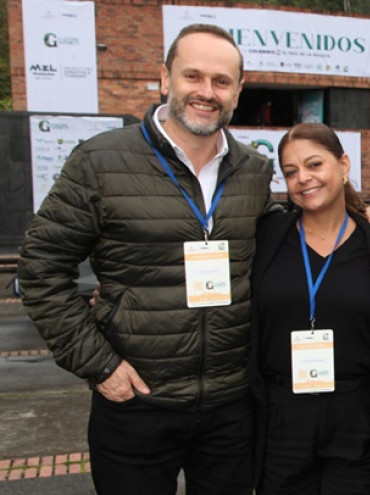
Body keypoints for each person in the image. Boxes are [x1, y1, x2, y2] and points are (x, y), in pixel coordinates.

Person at [17, 24, 275, 494]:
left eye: (221, 81)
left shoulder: (254, 171)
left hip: (230, 409)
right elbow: (40, 270)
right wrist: (100, 366)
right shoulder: (100, 161)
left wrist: (366, 212)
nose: (206, 92)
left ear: (238, 91)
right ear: (164, 79)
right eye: (192, 76)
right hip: (135, 403)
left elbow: (295, 236)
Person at [249, 123, 370, 494]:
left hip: (355, 418)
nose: (303, 179)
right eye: (291, 172)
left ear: (343, 165)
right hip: (283, 418)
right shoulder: (266, 238)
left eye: (314, 165)